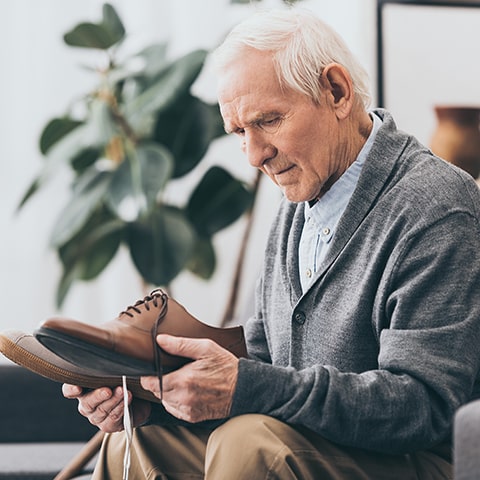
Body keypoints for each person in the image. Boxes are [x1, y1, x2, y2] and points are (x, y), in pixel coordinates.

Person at [63, 7, 480, 479]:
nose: (255, 155)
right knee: (140, 442)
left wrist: (249, 387)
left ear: (337, 92)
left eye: (269, 120)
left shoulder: (435, 204)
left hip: (417, 461)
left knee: (248, 445)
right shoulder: (300, 201)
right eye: (239, 132)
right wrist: (153, 403)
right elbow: (265, 362)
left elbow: (423, 408)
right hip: (314, 444)